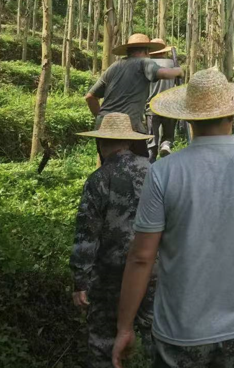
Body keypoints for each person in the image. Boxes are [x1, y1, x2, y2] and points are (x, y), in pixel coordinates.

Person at [114, 68, 234, 368]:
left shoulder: (163, 172)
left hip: (178, 332)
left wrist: (124, 327)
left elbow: (141, 257)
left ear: (188, 119)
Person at [70, 113, 156, 368]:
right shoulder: (155, 172)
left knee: (104, 342)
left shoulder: (98, 179)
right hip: (154, 270)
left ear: (102, 143)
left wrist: (80, 280)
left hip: (110, 275)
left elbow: (87, 233)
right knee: (157, 336)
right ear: (128, 142)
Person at [84, 33, 183, 159]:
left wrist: (102, 119)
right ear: (147, 51)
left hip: (104, 128)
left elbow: (90, 97)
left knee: (108, 169)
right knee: (139, 169)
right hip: (128, 128)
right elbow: (163, 73)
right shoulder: (145, 62)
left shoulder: (114, 66)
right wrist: (178, 71)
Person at [146, 39, 185, 161]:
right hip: (169, 107)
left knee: (151, 141)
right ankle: (166, 144)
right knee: (168, 137)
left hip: (151, 107)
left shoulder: (146, 65)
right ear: (164, 51)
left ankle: (151, 163)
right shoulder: (172, 65)